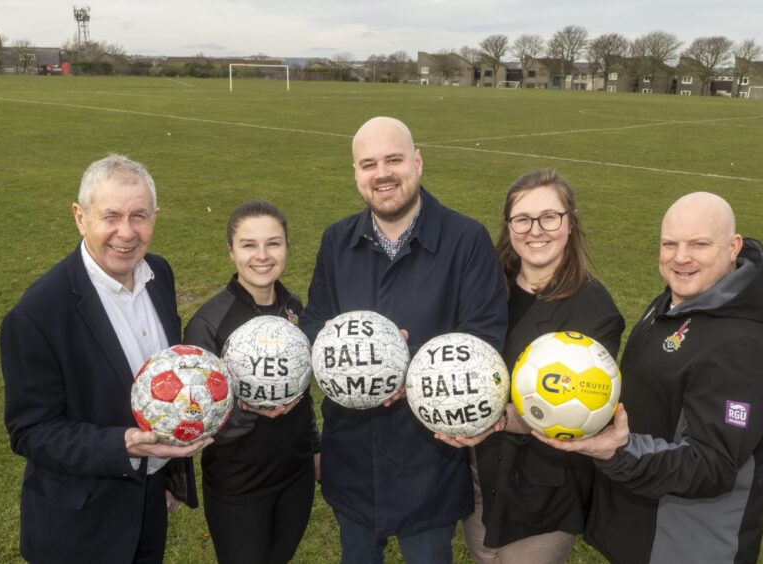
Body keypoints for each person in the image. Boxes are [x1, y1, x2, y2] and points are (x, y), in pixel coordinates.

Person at [541, 192, 763, 563]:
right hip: (639, 531)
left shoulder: (745, 348)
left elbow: (711, 463)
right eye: (669, 243)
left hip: (687, 546)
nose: (681, 257)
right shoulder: (673, 305)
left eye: (699, 244)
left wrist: (617, 451)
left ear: (733, 247)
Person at [300, 116, 508, 563]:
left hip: (429, 459)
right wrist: (352, 360)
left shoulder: (465, 239)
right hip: (352, 454)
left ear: (417, 162)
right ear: (356, 173)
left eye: (393, 159)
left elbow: (484, 337)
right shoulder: (336, 241)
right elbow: (315, 323)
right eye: (368, 163)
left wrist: (398, 364)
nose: (382, 174)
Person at [0, 154, 206, 564]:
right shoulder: (37, 314)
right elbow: (30, 430)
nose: (126, 233)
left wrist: (164, 476)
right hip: (80, 526)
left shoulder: (159, 275)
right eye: (110, 216)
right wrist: (123, 444)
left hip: (148, 506)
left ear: (155, 217)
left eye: (139, 216)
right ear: (80, 217)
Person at [457, 170, 625, 563]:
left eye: (549, 217)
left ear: (570, 222)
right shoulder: (484, 286)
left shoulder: (594, 308)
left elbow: (570, 406)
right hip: (480, 474)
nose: (536, 230)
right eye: (522, 219)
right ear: (509, 226)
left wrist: (490, 415)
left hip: (544, 492)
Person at [183, 200, 320, 564]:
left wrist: (314, 448)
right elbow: (195, 417)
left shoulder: (293, 308)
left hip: (296, 475)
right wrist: (252, 413)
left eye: (273, 243)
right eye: (248, 245)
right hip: (240, 487)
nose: (262, 255)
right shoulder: (208, 324)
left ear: (287, 247)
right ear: (231, 252)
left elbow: (303, 393)